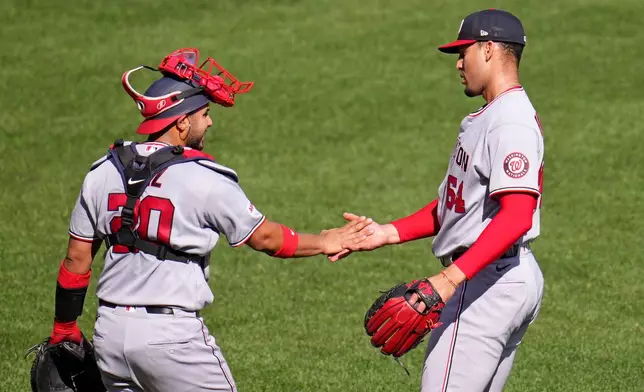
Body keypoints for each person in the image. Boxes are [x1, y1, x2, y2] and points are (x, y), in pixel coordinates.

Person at [47, 48, 372, 392]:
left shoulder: (102, 172)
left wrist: (64, 328)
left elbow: (77, 260)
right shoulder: (203, 177)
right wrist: (325, 241)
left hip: (110, 334)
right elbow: (265, 238)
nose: (210, 122)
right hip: (172, 340)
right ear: (182, 121)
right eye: (204, 113)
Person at [330, 9, 545, 392]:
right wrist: (388, 232)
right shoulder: (492, 115)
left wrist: (447, 280)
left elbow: (517, 216)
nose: (459, 63)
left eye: (465, 52)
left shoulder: (510, 122)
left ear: (491, 49)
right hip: (499, 275)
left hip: (487, 282)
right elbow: (457, 204)